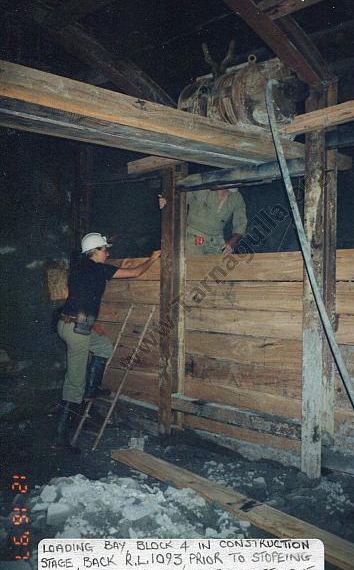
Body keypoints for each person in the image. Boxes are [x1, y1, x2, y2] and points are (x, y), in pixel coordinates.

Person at [54, 232, 160, 451]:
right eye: (104, 249)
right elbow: (136, 272)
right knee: (74, 385)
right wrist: (152, 259)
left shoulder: (81, 268)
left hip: (72, 324)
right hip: (77, 330)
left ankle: (91, 389)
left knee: (103, 346)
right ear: (95, 252)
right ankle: (60, 439)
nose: (108, 253)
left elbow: (82, 298)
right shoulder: (99, 269)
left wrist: (92, 325)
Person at [159, 188, 247, 255]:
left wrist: (232, 242)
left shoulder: (237, 197)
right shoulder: (201, 188)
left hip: (216, 242)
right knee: (192, 269)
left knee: (217, 273)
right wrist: (167, 200)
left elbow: (241, 223)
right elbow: (178, 198)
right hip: (193, 238)